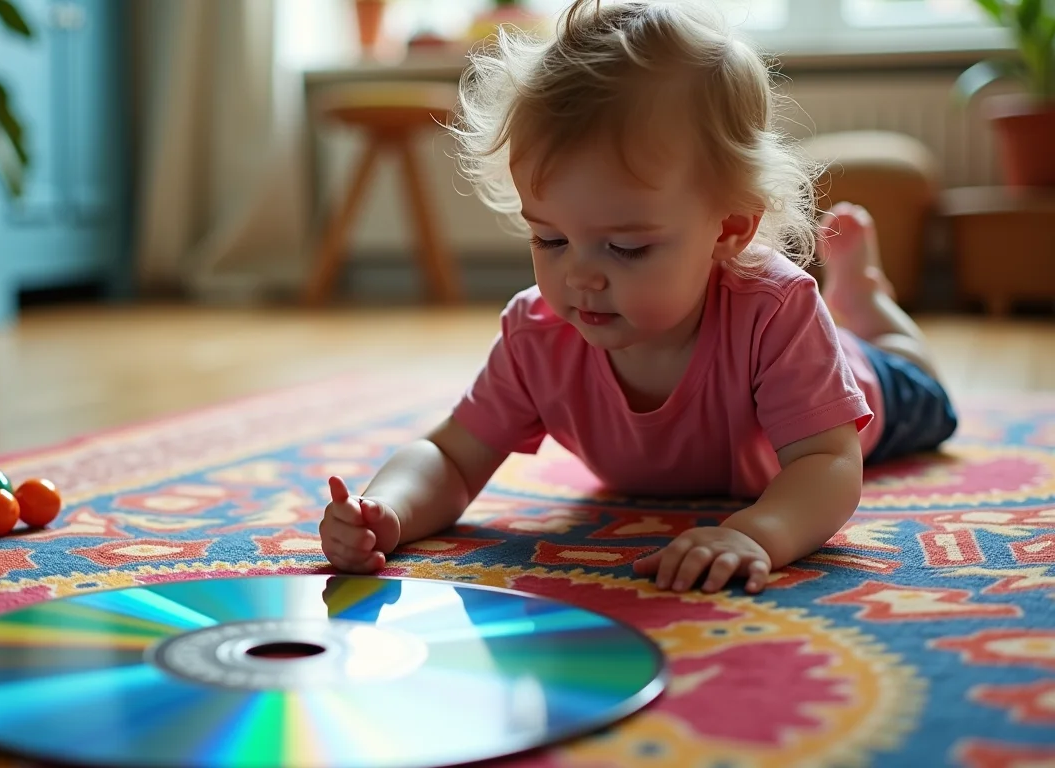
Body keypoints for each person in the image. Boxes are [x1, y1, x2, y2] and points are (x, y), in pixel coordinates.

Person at [316, 0, 957, 594]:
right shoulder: (537, 334)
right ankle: (863, 306)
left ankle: (871, 307)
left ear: (730, 229)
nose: (581, 277)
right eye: (551, 238)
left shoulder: (777, 309)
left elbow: (827, 463)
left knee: (920, 384)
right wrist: (387, 510)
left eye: (625, 248)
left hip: (870, 393)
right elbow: (448, 457)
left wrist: (756, 533)